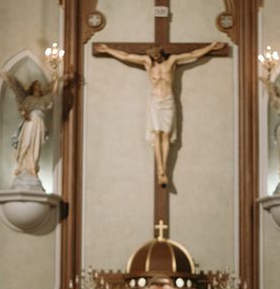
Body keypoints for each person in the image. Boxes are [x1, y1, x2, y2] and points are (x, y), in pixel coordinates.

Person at [95, 41, 224, 186]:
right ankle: (160, 169)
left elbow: (193, 54)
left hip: (168, 101)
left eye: (157, 55)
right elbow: (126, 56)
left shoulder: (172, 61)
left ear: (161, 52)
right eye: (153, 56)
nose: (155, 58)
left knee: (166, 135)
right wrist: (108, 50)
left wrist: (211, 47)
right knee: (156, 133)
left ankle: (165, 168)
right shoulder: (147, 63)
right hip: (155, 102)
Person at [0, 70, 59, 183]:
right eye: (36, 85)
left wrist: (57, 80)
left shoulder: (43, 100)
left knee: (36, 145)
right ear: (32, 87)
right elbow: (22, 108)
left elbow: (54, 94)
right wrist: (24, 114)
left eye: (39, 85)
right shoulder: (28, 99)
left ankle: (33, 166)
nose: (38, 86)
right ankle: (22, 164)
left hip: (39, 123)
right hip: (30, 121)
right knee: (26, 142)